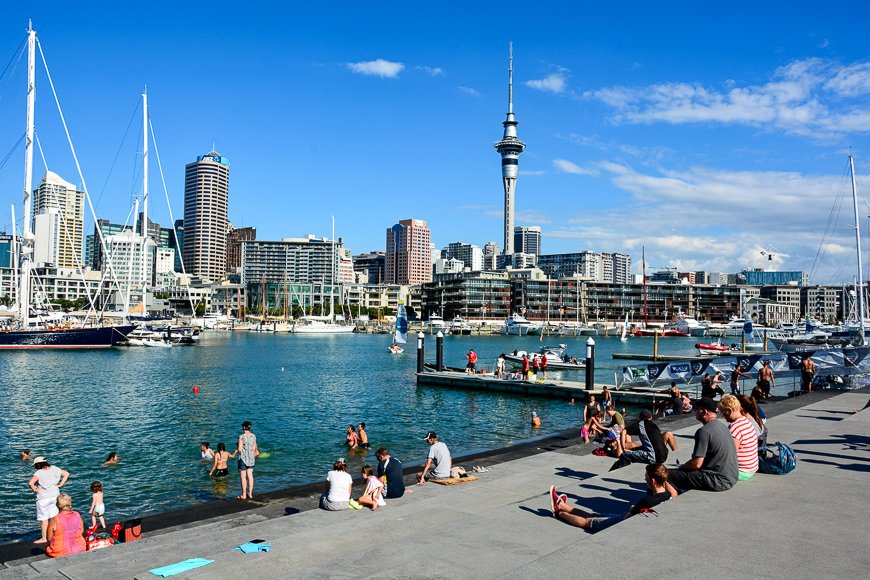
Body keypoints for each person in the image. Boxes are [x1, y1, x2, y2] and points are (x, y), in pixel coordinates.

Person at [549, 464, 676, 532]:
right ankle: (562, 505)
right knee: (593, 514)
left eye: (646, 476)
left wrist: (632, 509)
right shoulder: (668, 495)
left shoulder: (647, 501)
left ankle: (559, 512)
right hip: (624, 518)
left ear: (653, 481)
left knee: (588, 522)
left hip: (621, 522)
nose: (644, 478)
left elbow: (629, 516)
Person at [668, 397, 738, 493]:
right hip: (731, 476)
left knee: (666, 475)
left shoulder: (704, 431)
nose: (694, 411)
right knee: (683, 475)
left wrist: (681, 468)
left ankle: (671, 499)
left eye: (696, 409)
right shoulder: (722, 426)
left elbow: (696, 464)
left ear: (704, 411)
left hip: (717, 480)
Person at [28, 457, 69, 544]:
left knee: (44, 519)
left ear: (38, 465)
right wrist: (60, 485)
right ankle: (56, 534)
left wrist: (35, 489)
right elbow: (66, 474)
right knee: (54, 517)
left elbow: (30, 483)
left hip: (43, 498)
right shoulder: (54, 468)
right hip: (55, 496)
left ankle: (44, 538)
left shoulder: (39, 472)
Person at [718, 395, 759, 480]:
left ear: (729, 411)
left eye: (723, 412)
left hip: (741, 471)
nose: (722, 415)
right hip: (751, 468)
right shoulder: (747, 421)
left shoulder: (735, 427)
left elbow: (731, 453)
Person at [236, 420, 259, 500]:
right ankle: (250, 493)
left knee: (243, 477)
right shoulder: (254, 436)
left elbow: (239, 449)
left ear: (244, 427)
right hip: (251, 459)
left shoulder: (241, 437)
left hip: (243, 459)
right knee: (250, 476)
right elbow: (254, 448)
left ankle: (244, 495)